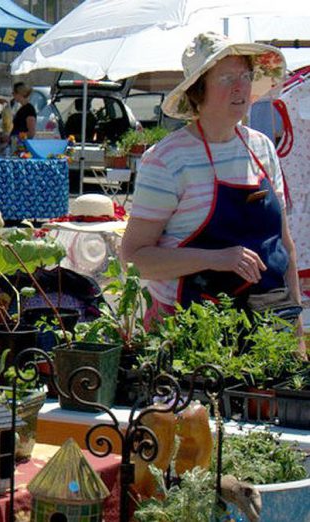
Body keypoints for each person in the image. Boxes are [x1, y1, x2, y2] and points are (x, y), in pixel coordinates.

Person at [121, 32, 305, 356]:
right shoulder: (167, 160)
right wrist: (216, 259)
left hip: (271, 327)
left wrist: (296, 327)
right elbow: (134, 258)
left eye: (246, 76)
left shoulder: (261, 148)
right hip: (193, 331)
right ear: (198, 91)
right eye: (227, 78)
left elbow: (284, 245)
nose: (241, 86)